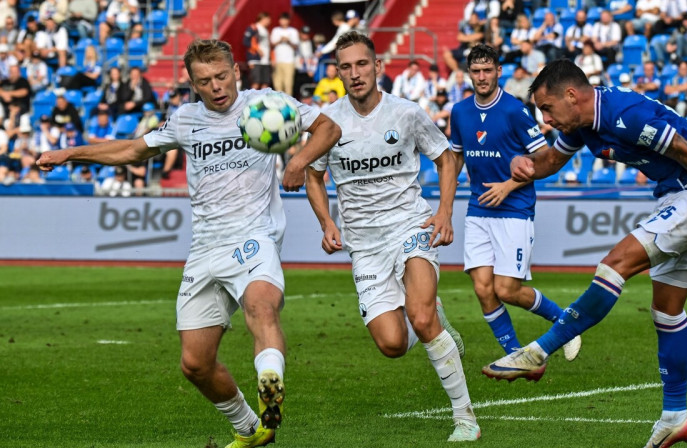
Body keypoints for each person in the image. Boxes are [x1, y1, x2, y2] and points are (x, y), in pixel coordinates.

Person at [37, 38, 342, 448]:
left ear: (236, 71)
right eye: (205, 81)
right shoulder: (185, 120)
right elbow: (131, 150)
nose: (216, 86)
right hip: (204, 247)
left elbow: (328, 127)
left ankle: (271, 378)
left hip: (254, 236)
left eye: (221, 76)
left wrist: (298, 160)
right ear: (193, 85)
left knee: (261, 306)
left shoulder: (265, 103)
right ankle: (252, 430)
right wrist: (72, 152)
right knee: (195, 364)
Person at [481, 59, 687, 447]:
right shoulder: (582, 124)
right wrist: (524, 164)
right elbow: (550, 159)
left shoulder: (625, 114)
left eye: (547, 108)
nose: (546, 120)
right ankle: (675, 416)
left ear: (571, 95)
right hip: (679, 196)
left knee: (614, 265)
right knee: (667, 313)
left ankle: (538, 350)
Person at [304, 30, 481, 442]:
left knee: (421, 319)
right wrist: (327, 223)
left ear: (378, 66)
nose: (355, 73)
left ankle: (465, 417)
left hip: (409, 227)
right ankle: (432, 309)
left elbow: (446, 158)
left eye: (362, 64)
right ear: (338, 73)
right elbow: (313, 176)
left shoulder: (406, 113)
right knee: (392, 344)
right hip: (363, 244)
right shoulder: (328, 122)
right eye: (345, 67)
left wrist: (443, 212)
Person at [449, 44, 582, 360]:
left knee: (506, 290)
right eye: (476, 71)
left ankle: (566, 324)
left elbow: (542, 159)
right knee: (483, 289)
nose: (481, 77)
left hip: (515, 210)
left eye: (487, 70)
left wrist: (509, 185)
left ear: (498, 71)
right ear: (470, 73)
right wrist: (445, 201)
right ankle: (515, 354)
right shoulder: (459, 112)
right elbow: (455, 157)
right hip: (478, 209)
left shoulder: (515, 111)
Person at [270, 12, 299, 96]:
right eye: (281, 19)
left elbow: (296, 46)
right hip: (278, 60)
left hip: (289, 61)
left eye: (285, 20)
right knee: (277, 84)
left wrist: (288, 41)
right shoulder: (276, 30)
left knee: (288, 84)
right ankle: (279, 103)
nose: (283, 21)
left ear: (288, 21)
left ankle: (288, 104)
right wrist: (280, 40)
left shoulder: (293, 31)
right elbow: (272, 45)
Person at [243, 13, 272, 89]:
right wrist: (257, 49)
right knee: (256, 82)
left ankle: (263, 100)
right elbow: (246, 41)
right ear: (263, 19)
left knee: (265, 83)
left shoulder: (266, 30)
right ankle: (252, 100)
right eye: (268, 19)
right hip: (255, 59)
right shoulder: (253, 28)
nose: (269, 21)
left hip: (266, 60)